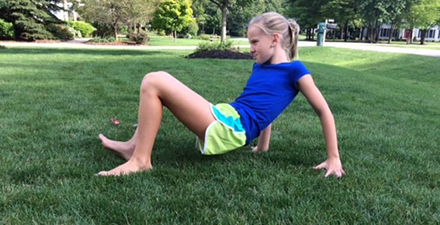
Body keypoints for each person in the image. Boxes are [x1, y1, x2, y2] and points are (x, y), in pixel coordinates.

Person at [98, 12, 345, 178]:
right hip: (230, 116)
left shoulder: (296, 71)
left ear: (275, 39)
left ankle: (141, 161)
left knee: (154, 80)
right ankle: (134, 147)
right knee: (156, 83)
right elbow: (265, 108)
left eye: (254, 42)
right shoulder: (261, 67)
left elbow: (324, 111)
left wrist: (333, 157)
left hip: (233, 128)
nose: (250, 49)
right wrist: (262, 147)